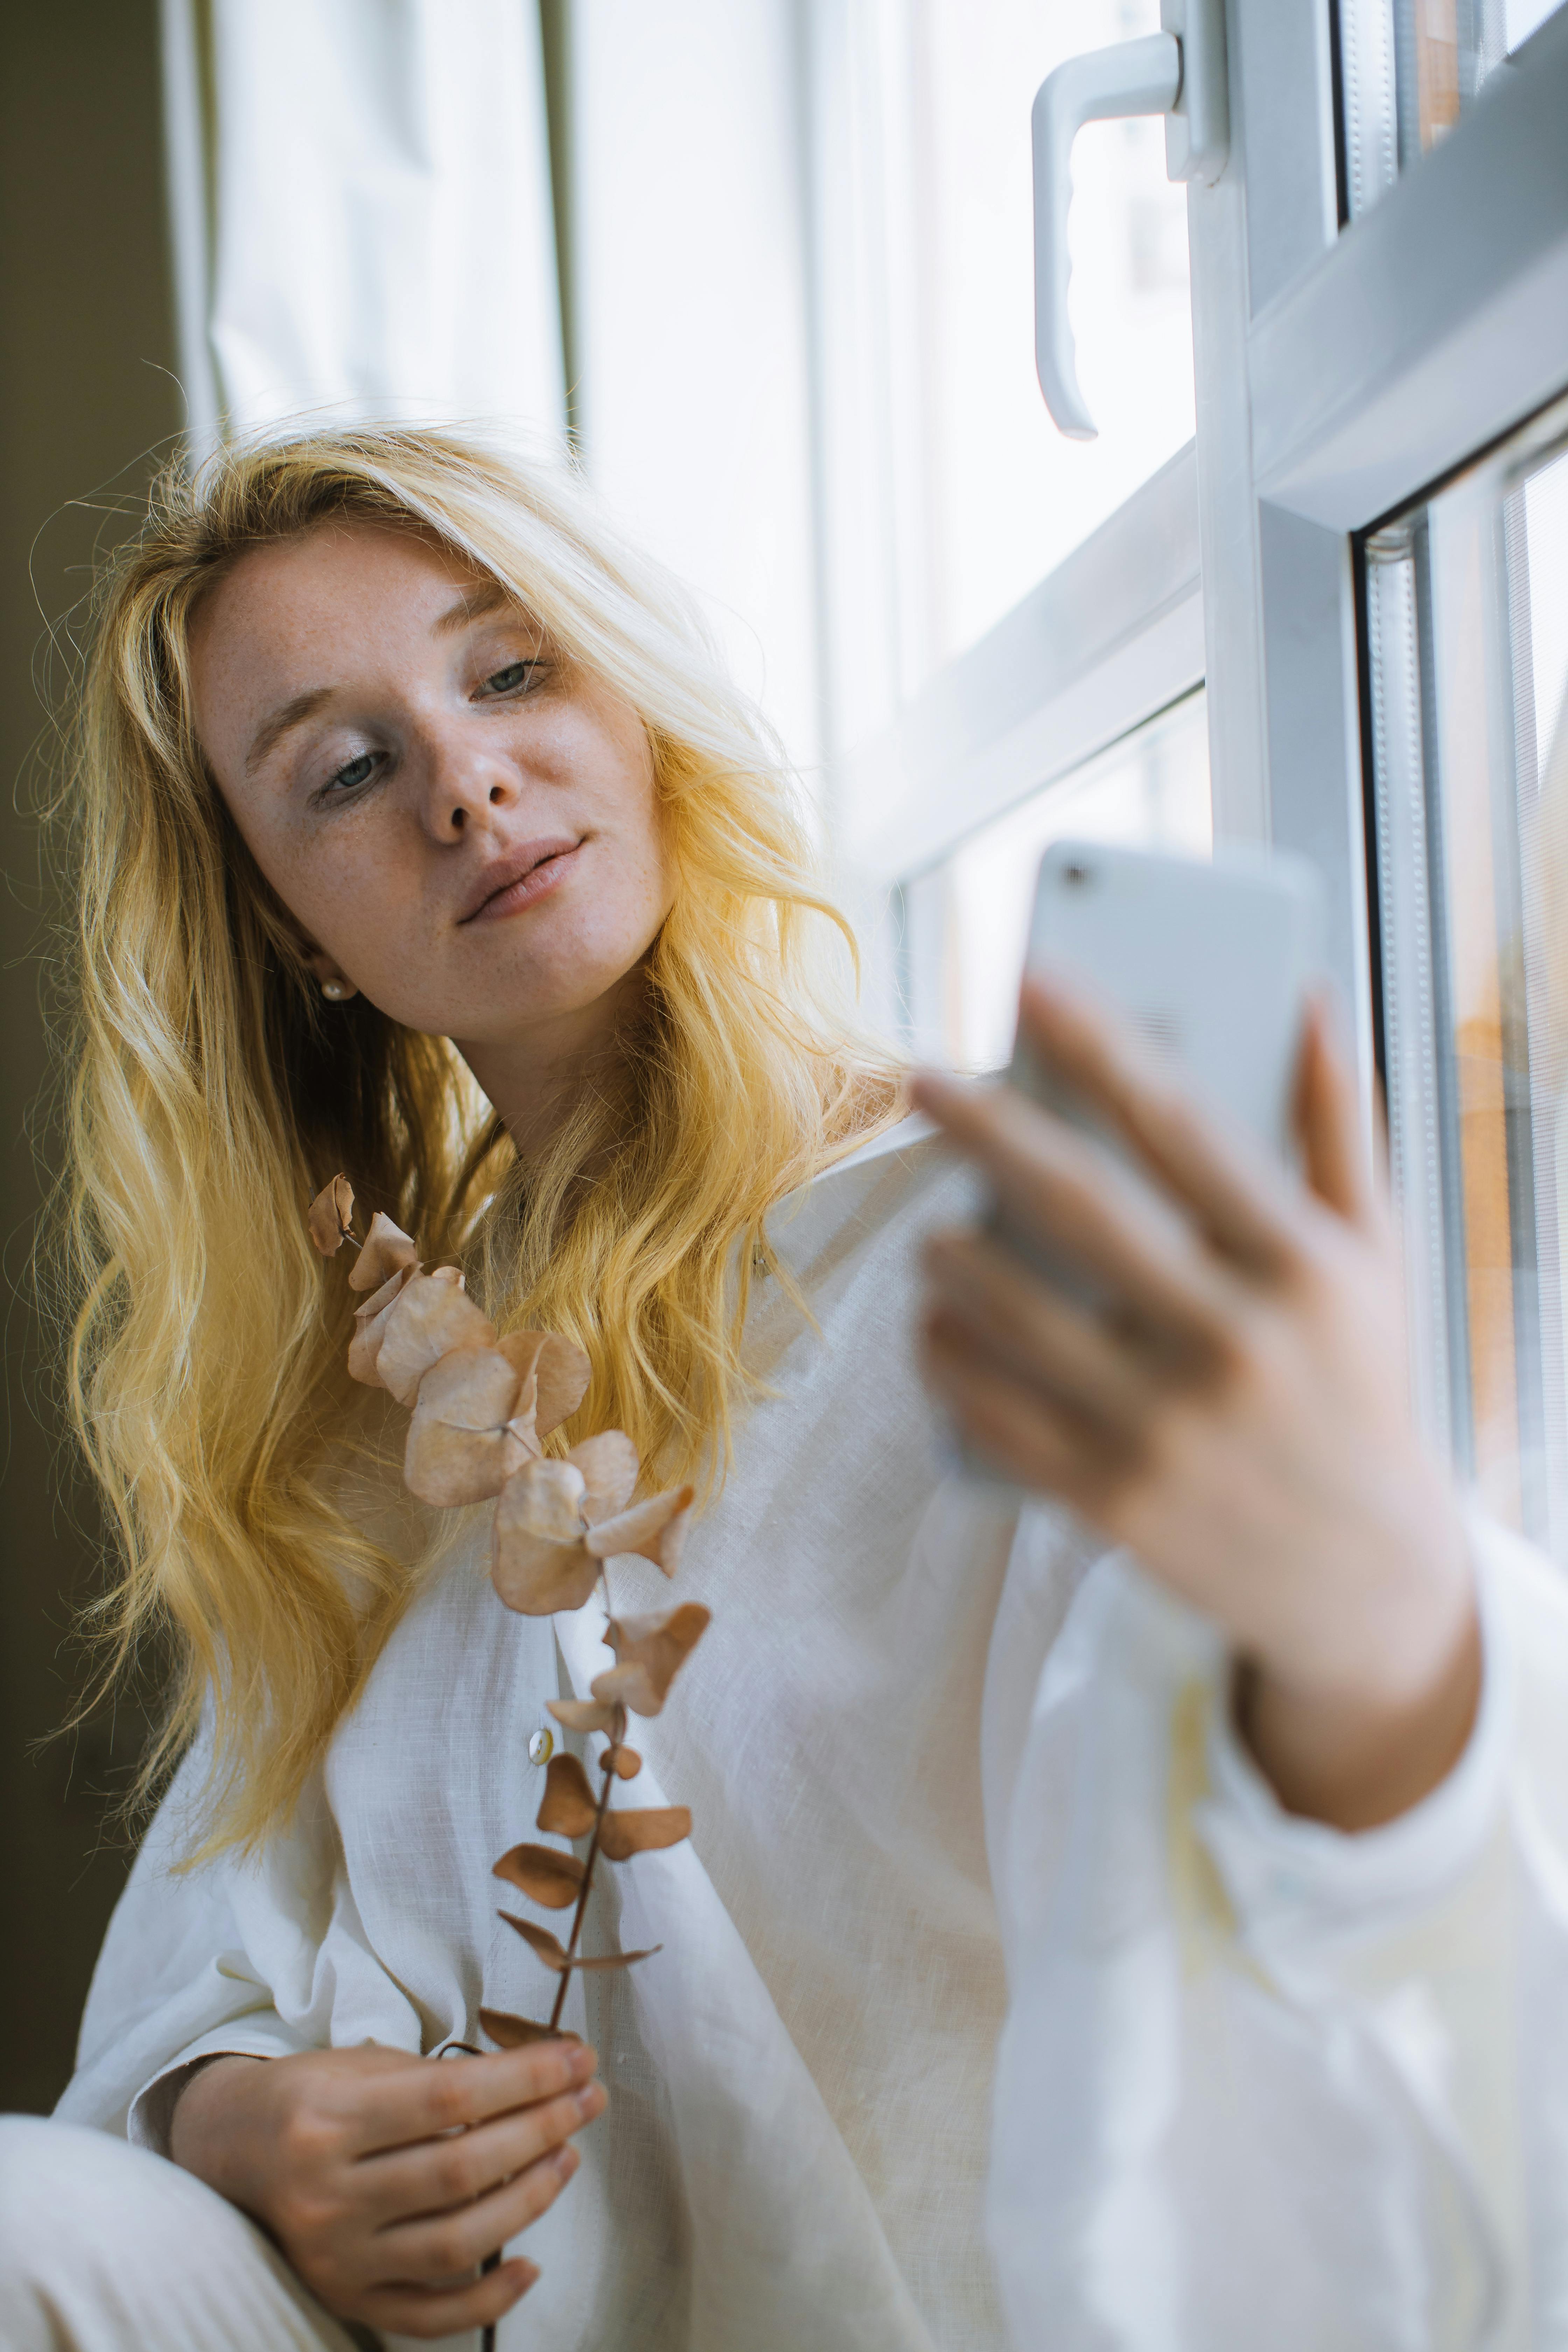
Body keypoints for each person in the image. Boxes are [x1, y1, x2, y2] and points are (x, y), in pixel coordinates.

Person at [0, 420, 1563, 2352]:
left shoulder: (977, 1246)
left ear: (638, 702)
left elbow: (1224, 1828)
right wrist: (239, 2123)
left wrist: (1369, 1642)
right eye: (347, 768)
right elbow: (202, 1950)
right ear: (289, 937)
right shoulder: (362, 1412)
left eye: (513, 671)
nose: (469, 784)